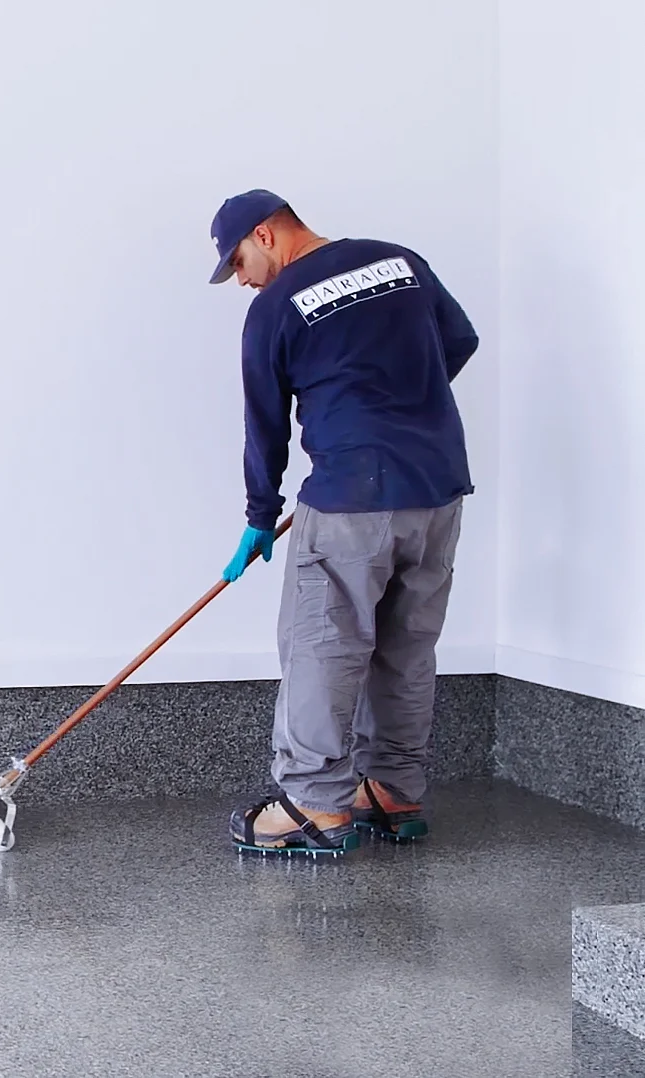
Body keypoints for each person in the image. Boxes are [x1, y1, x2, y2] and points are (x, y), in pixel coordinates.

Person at [207, 189, 476, 857]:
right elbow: (459, 340)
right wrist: (396, 409)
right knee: (406, 648)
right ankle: (392, 791)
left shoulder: (275, 307)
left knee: (321, 646)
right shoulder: (398, 261)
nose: (240, 279)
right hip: (438, 487)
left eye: (236, 261)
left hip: (352, 498)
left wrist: (259, 515)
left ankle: (312, 805)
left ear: (265, 234)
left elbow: (264, 425)